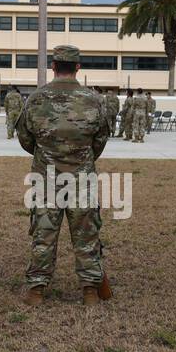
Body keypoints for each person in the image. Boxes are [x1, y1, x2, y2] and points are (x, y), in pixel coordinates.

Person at [17, 44, 110, 306]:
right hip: (81, 178)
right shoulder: (93, 100)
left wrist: (46, 153)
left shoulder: (35, 99)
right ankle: (90, 290)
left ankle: (37, 289)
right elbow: (100, 140)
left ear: (54, 67)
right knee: (86, 235)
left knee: (43, 234)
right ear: (78, 67)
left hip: (45, 178)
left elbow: (25, 139)